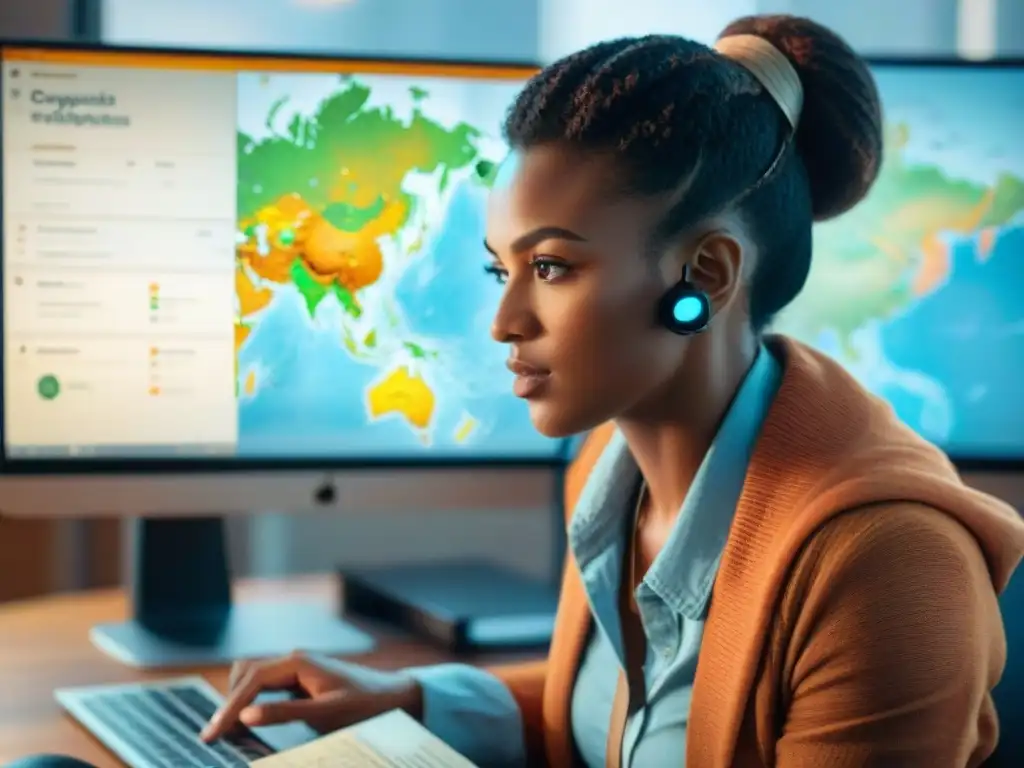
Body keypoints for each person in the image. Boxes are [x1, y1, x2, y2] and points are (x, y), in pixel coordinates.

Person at [202, 13, 1024, 768]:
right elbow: (622, 725)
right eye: (503, 268)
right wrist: (410, 701)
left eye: (552, 267)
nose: (505, 320)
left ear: (705, 275)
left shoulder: (886, 569)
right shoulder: (609, 466)